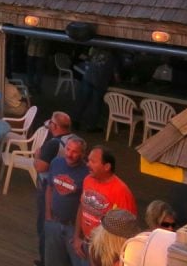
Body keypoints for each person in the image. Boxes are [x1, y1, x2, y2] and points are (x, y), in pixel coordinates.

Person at [74, 146, 137, 261]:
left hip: (105, 252)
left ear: (107, 166)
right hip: (85, 244)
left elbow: (127, 229)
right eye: (88, 160)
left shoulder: (121, 191)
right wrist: (77, 237)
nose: (88, 164)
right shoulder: (87, 180)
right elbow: (82, 207)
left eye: (93, 161)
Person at [42, 135, 89, 266]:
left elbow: (84, 204)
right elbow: (50, 188)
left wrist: (78, 234)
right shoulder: (56, 163)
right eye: (68, 149)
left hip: (73, 228)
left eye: (75, 152)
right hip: (54, 222)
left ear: (83, 154)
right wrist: (48, 214)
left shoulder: (87, 174)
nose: (69, 154)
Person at [34, 111, 74, 263]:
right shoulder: (74, 140)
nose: (49, 123)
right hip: (66, 188)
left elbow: (40, 167)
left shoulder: (53, 144)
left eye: (51, 122)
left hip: (49, 188)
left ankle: (46, 259)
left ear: (55, 126)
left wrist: (37, 155)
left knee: (45, 225)